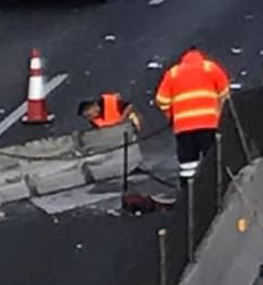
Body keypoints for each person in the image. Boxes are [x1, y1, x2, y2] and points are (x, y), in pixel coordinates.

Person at [155, 47, 231, 183]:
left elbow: (162, 100)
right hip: (208, 124)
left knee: (188, 165)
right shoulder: (210, 68)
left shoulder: (173, 73)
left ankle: (188, 196)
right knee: (212, 160)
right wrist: (218, 112)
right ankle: (212, 189)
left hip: (183, 128)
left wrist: (171, 115)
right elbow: (225, 93)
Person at [78, 91, 143, 133]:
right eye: (86, 117)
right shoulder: (95, 122)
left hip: (129, 126)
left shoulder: (109, 103)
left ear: (94, 105)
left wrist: (121, 120)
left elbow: (129, 106)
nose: (88, 117)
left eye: (89, 114)